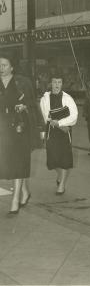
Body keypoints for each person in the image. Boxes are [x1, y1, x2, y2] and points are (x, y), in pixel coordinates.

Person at [0, 55, 38, 214]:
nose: (1, 68)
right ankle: (24, 192)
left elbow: (32, 104)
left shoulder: (22, 82)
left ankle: (15, 199)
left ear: (12, 67)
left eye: (4, 65)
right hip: (2, 128)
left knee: (18, 162)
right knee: (6, 164)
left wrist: (24, 107)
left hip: (19, 127)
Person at [40, 76, 78, 195]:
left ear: (62, 84)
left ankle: (61, 185)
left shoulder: (68, 98)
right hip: (52, 132)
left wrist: (61, 123)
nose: (57, 84)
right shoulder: (45, 98)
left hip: (65, 132)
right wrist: (54, 125)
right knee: (52, 159)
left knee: (65, 159)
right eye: (54, 82)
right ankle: (60, 174)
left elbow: (74, 116)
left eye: (59, 82)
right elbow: (46, 117)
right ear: (50, 83)